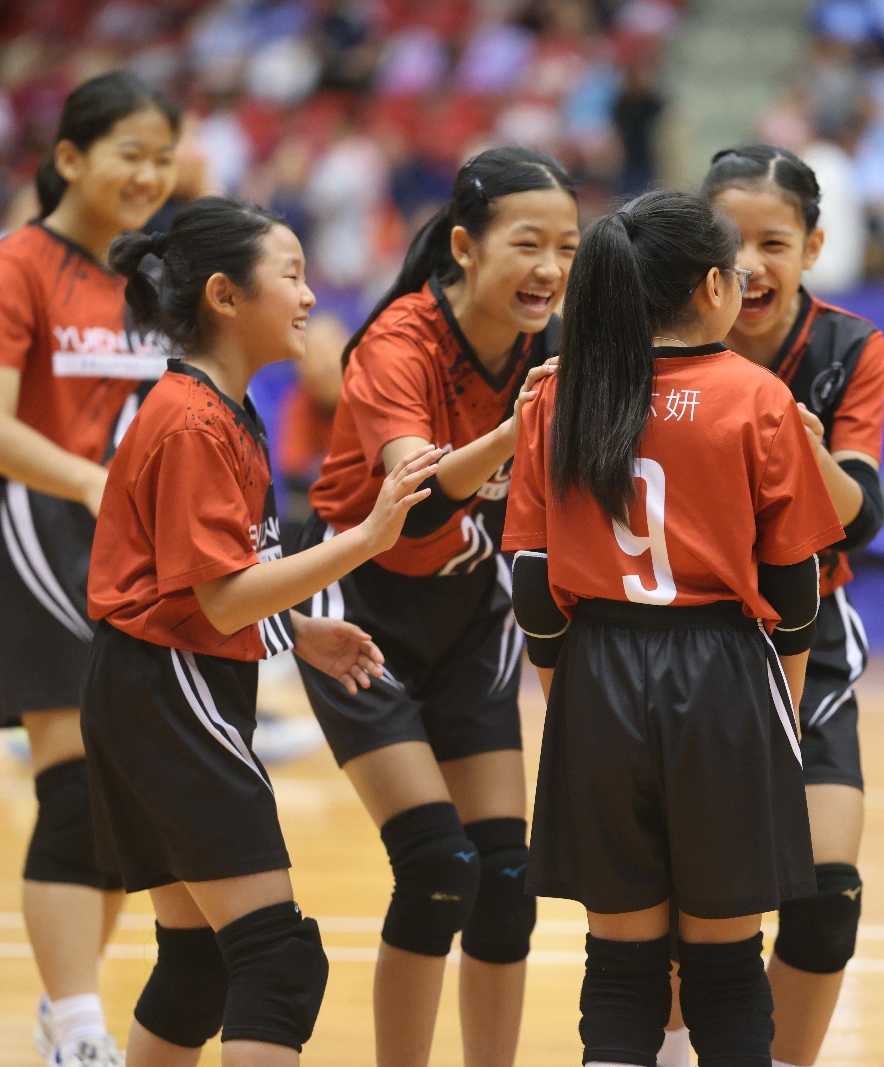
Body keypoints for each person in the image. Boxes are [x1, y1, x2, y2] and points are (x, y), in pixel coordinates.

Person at [87, 196, 439, 1067]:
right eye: (292, 275)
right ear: (225, 295)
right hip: (170, 688)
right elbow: (219, 599)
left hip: (152, 684)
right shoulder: (192, 420)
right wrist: (367, 539)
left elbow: (206, 583)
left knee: (198, 964)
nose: (311, 296)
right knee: (276, 960)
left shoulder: (219, 408)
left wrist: (297, 629)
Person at [501, 188, 844, 1067]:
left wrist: (569, 690)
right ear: (711, 286)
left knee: (620, 966)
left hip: (598, 667)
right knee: (725, 968)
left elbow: (533, 581)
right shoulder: (758, 396)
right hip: (720, 673)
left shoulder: (557, 394)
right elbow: (794, 583)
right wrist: (783, 703)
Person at [292, 146, 577, 1067]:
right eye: (528, 244)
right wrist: (517, 428)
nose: (550, 269)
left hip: (471, 612)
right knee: (436, 868)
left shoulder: (556, 349)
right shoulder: (397, 342)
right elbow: (411, 500)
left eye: (568, 249)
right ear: (464, 245)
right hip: (360, 607)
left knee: (505, 881)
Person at [0, 70, 180, 1067]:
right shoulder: (11, 268)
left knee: (125, 791)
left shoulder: (154, 280)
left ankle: (67, 1013)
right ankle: (80, 1024)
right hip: (40, 525)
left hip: (134, 538)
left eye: (163, 158)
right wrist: (93, 481)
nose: (149, 175)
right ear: (70, 157)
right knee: (75, 780)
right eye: (131, 153)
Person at [689, 143, 884, 1067]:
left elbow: (861, 518)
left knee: (826, 897)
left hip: (810, 632)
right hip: (685, 640)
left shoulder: (848, 348)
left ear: (813, 247)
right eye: (730, 241)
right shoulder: (658, 338)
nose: (750, 264)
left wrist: (803, 447)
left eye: (774, 242)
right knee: (688, 903)